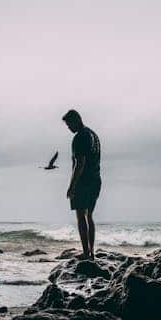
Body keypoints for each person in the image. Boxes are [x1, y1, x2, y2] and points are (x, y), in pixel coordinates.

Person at [62, 109, 101, 260]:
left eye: (69, 124)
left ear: (76, 120)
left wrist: (72, 185)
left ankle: (86, 253)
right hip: (96, 179)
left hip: (83, 181)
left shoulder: (79, 137)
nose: (69, 128)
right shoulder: (93, 135)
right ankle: (92, 252)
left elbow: (80, 163)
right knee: (89, 216)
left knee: (80, 216)